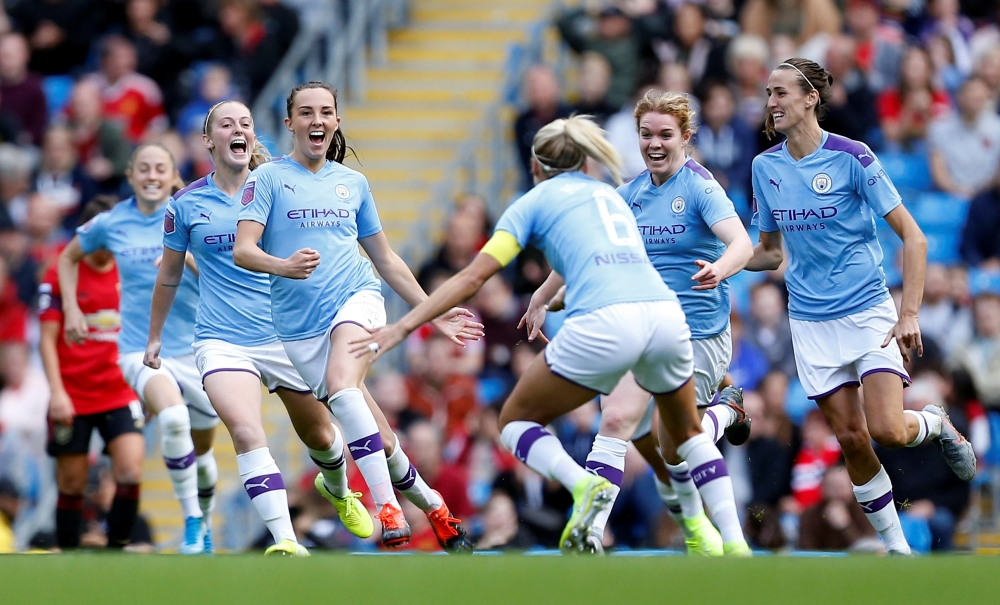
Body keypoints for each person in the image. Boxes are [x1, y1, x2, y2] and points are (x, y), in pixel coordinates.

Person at [349, 115, 751, 555]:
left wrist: (405, 325)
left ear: (536, 166)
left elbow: (473, 277)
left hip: (610, 322)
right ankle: (733, 546)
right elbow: (599, 261)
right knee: (677, 435)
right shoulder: (612, 197)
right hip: (667, 316)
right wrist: (545, 297)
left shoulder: (534, 203)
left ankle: (584, 488)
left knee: (514, 421)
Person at [148, 100, 474, 555]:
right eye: (226, 124)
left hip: (291, 332)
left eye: (245, 122)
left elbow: (376, 254)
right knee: (246, 431)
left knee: (347, 436)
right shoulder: (189, 204)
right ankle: (286, 540)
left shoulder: (286, 181)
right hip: (224, 339)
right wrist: (155, 336)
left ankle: (363, 494)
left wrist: (432, 310)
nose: (237, 129)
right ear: (208, 140)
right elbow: (175, 273)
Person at [233, 81, 482, 548]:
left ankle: (387, 508)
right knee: (382, 442)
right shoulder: (266, 180)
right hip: (299, 331)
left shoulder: (353, 184)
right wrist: (282, 265)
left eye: (325, 112)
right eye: (306, 113)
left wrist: (437, 312)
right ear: (290, 123)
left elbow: (386, 260)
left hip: (357, 297)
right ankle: (436, 508)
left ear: (337, 121)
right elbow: (244, 251)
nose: (317, 121)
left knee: (345, 389)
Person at [746, 57, 976, 555]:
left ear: (810, 98)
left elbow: (914, 239)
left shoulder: (853, 156)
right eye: (768, 93)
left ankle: (935, 422)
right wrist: (717, 261)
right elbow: (768, 251)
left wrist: (908, 313)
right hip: (810, 320)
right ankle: (897, 551)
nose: (771, 102)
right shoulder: (765, 167)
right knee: (851, 439)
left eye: (781, 92)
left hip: (869, 309)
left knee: (889, 431)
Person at [521, 92, 754, 555]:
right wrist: (542, 298)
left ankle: (728, 415)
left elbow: (742, 245)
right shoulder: (630, 193)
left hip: (698, 333)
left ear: (686, 137)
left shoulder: (701, 187)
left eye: (665, 134)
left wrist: (719, 268)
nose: (654, 143)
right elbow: (586, 250)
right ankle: (589, 531)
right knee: (618, 418)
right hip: (644, 327)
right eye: (646, 134)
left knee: (676, 447)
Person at [57, 143, 219, 555]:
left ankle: (206, 522)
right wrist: (72, 308)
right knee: (175, 420)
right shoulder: (112, 223)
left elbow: (220, 275)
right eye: (143, 168)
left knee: (203, 450)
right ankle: (191, 523)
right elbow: (67, 258)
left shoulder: (195, 215)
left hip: (198, 349)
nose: (151, 175)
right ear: (130, 176)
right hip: (140, 349)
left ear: (172, 177)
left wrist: (182, 263)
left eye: (159, 168)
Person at [39, 196, 144, 550]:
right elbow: (47, 339)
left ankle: (117, 551)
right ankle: (69, 560)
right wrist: (57, 393)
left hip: (119, 391)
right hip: (74, 394)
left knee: (130, 471)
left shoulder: (130, 269)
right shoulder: (61, 272)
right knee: (71, 484)